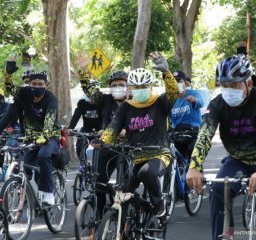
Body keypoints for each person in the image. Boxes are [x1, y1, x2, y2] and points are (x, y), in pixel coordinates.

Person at [186, 55, 256, 240]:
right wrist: (194, 167)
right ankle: (224, 236)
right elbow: (204, 134)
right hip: (239, 160)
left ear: (249, 84)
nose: (228, 91)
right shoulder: (217, 104)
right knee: (217, 194)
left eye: (234, 86)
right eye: (224, 86)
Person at [94, 52, 179, 217]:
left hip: (159, 154)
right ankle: (124, 227)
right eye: (136, 87)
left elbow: (173, 93)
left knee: (146, 173)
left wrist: (166, 74)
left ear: (151, 86)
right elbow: (113, 127)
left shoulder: (160, 102)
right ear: (130, 88)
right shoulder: (126, 107)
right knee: (122, 193)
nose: (140, 90)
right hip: (134, 156)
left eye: (144, 86)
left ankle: (159, 205)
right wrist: (102, 140)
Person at [77, 52, 129, 218]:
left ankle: (125, 223)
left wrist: (123, 132)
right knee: (98, 185)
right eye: (114, 85)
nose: (117, 87)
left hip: (127, 150)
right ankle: (99, 220)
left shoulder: (135, 103)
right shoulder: (105, 100)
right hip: (105, 148)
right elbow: (89, 90)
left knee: (125, 188)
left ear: (129, 86)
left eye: (121, 84)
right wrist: (84, 71)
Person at [4, 62, 61, 206]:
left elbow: (50, 119)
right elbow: (10, 88)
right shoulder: (24, 95)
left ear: (46, 85)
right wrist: (9, 75)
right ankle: (24, 194)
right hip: (30, 138)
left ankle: (48, 193)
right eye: (33, 83)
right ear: (29, 84)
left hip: (50, 137)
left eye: (40, 84)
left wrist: (45, 135)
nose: (36, 86)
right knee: (26, 165)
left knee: (43, 155)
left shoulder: (51, 99)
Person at [170, 70, 204, 159]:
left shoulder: (194, 94)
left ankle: (195, 172)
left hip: (193, 133)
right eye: (173, 81)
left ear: (185, 83)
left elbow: (201, 102)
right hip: (176, 133)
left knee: (193, 154)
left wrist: (194, 100)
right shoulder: (169, 99)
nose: (176, 83)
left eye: (179, 81)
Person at [68, 83, 102, 163]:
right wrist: (71, 128)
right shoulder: (82, 103)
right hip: (86, 129)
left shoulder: (102, 102)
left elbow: (106, 116)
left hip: (100, 129)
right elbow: (76, 115)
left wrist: (103, 129)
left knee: (102, 147)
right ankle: (83, 165)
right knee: (80, 145)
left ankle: (99, 165)